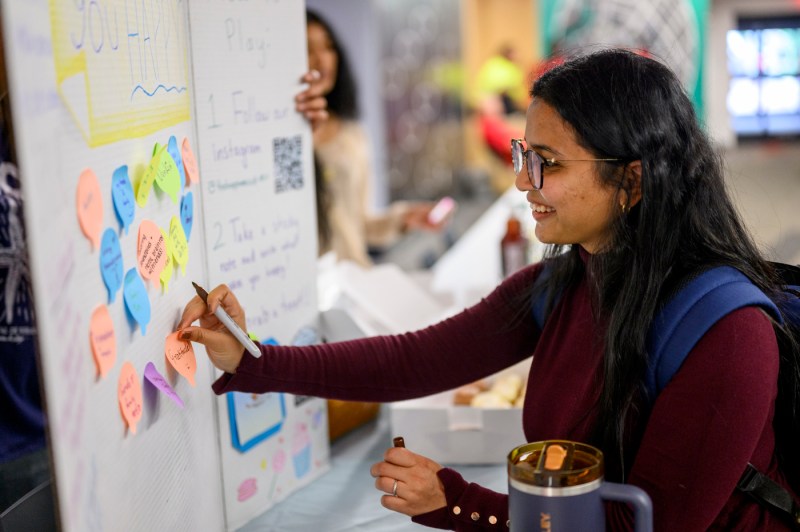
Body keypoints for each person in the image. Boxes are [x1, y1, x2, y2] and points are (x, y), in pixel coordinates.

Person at [178, 49, 800, 530]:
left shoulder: (728, 337)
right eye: (524, 154)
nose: (525, 182)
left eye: (548, 164)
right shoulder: (567, 282)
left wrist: (458, 502)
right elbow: (413, 361)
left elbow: (637, 527)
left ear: (630, 183)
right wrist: (251, 357)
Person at [306, 10, 448, 268]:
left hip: (353, 278)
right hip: (301, 286)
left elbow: (359, 225)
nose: (321, 59)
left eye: (328, 47)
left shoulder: (351, 135)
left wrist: (405, 218)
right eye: (307, 49)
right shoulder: (285, 141)